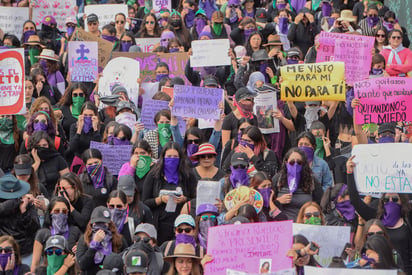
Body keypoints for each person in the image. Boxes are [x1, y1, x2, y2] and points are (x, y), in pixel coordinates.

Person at [347, 155, 412, 273]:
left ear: (402, 200)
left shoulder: (408, 219)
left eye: (395, 199)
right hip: (379, 271)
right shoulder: (376, 218)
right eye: (386, 200)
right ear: (382, 202)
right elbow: (355, 201)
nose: (391, 202)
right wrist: (350, 173)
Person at [142, 142, 197, 244]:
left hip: (182, 226)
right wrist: (160, 199)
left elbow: (195, 199)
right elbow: (144, 202)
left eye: (175, 157)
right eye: (169, 156)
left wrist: (185, 200)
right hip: (159, 224)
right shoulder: (153, 176)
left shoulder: (188, 176)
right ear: (163, 157)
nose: (172, 159)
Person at [31, 197, 81, 272]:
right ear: (50, 212)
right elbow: (35, 264)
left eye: (64, 211)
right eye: (57, 211)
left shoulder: (75, 230)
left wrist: (80, 247)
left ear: (68, 212)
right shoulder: (43, 233)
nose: (61, 214)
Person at [273, 148, 323, 221]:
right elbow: (268, 204)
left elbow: (320, 203)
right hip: (284, 223)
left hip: (306, 223)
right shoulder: (278, 179)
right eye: (292, 162)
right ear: (286, 163)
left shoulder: (312, 180)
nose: (295, 165)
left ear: (303, 164)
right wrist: (278, 201)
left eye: (299, 162)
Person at [76, 206, 128, 275]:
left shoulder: (118, 239)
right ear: (91, 224)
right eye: (97, 223)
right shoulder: (84, 239)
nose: (100, 226)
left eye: (103, 223)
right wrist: (94, 244)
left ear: (109, 224)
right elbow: (82, 265)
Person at [0, 175, 40, 263]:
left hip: (26, 251)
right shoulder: (4, 206)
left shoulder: (28, 204)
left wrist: (24, 212)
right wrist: (18, 200)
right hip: (3, 250)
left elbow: (35, 228)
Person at [27, 131, 69, 195]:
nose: (42, 148)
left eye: (44, 145)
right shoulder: (27, 160)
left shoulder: (57, 158)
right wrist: (37, 162)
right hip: (34, 195)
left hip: (54, 194)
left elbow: (67, 178)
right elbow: (25, 178)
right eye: (38, 146)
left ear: (49, 145)